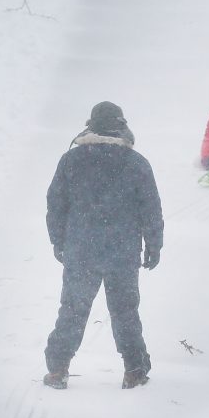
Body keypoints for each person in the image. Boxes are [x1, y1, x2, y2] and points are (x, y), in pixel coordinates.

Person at [43, 102, 164, 390]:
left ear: (90, 126)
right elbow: (151, 208)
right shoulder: (136, 163)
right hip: (122, 253)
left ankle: (58, 368)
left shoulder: (70, 161)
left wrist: (58, 240)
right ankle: (134, 370)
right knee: (125, 311)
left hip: (81, 250)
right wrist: (154, 244)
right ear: (121, 126)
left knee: (73, 308)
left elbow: (55, 205)